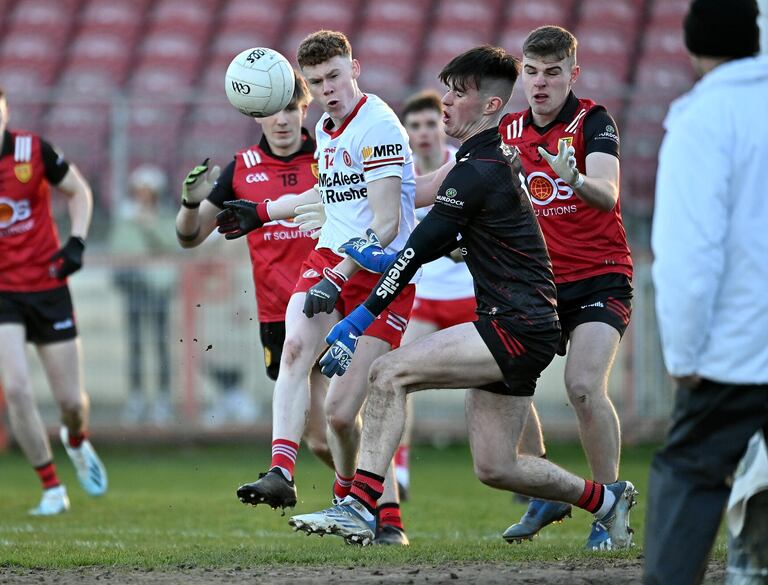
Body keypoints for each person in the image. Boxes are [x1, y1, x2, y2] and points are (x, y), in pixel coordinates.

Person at [286, 45, 637, 548]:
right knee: (497, 466)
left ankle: (362, 507)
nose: (444, 103)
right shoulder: (478, 161)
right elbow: (415, 205)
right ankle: (608, 499)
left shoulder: (479, 169)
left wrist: (356, 318)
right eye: (446, 90)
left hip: (516, 324)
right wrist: (340, 211)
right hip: (521, 322)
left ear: (490, 106)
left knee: (388, 372)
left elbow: (414, 252)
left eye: (457, 94)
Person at [217, 30, 417, 545]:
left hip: (382, 274)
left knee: (340, 413)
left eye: (334, 75)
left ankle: (368, 506)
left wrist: (338, 277)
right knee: (296, 348)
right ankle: (282, 471)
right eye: (316, 81)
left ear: (356, 67)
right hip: (331, 254)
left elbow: (388, 224)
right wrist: (260, 212)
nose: (327, 88)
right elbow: (327, 194)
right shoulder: (328, 128)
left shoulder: (378, 126)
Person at [644, 1, 767, 582]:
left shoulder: (702, 117)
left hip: (735, 351)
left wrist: (684, 354)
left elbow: (691, 255)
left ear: (692, 47)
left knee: (690, 472)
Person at [497, 25, 634, 550]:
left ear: (572, 74)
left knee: (582, 386)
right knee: (507, 375)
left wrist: (574, 179)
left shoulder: (592, 120)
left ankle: (611, 508)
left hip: (601, 273)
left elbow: (608, 191)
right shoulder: (507, 132)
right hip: (540, 281)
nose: (539, 84)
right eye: (530, 72)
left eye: (552, 73)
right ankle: (546, 491)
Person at [174, 70, 333, 467]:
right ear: (256, 114)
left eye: (290, 109)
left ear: (305, 109)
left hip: (332, 302)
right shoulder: (241, 168)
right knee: (319, 439)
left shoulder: (327, 157)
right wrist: (191, 204)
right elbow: (190, 238)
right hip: (277, 313)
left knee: (339, 419)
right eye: (271, 112)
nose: (281, 120)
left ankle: (378, 503)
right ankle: (369, 496)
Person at [0, 78, 107, 515]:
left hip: (47, 284)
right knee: (17, 387)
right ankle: (51, 488)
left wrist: (77, 242)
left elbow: (79, 192)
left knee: (70, 402)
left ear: (5, 111)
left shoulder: (33, 150)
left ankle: (76, 439)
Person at [394, 90, 474, 500]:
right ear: (405, 132)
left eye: (431, 123)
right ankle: (400, 473)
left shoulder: (462, 164)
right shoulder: (401, 173)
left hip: (473, 297)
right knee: (397, 376)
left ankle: (533, 460)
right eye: (415, 126)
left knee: (507, 381)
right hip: (425, 298)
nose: (424, 132)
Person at [109, 164, 176, 425]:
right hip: (135, 288)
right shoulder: (125, 219)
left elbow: (172, 243)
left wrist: (149, 226)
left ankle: (162, 399)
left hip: (159, 289)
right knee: (136, 345)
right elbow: (119, 249)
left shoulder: (164, 216)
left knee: (161, 344)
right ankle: (137, 398)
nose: (143, 195)